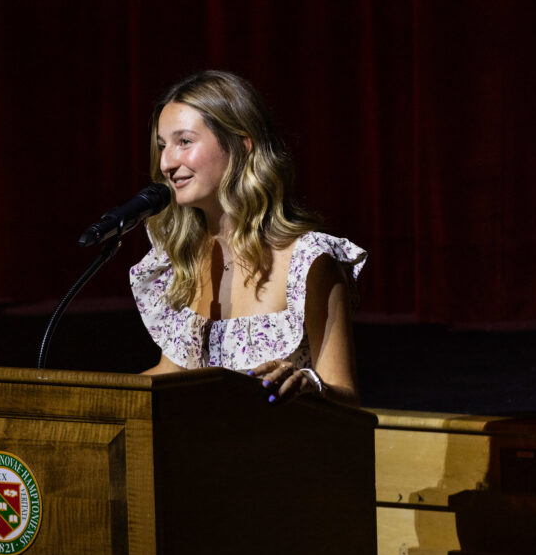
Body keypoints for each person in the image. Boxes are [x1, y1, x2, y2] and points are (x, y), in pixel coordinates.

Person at [130, 71, 366, 406]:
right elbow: (171, 371)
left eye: (184, 142)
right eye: (162, 146)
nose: (167, 162)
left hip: (282, 451)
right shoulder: (179, 258)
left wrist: (309, 385)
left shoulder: (309, 262)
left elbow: (347, 397)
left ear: (242, 145)